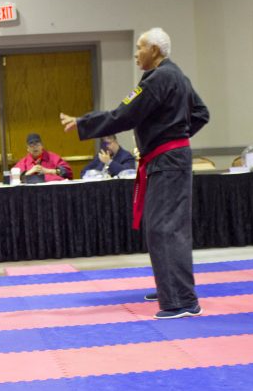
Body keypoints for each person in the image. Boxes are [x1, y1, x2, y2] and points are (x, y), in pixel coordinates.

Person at [61, 27, 209, 319]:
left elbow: (124, 115)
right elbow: (201, 113)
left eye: (140, 47)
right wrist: (172, 136)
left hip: (167, 160)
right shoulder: (176, 75)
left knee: (165, 228)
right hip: (168, 158)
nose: (135, 54)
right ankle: (170, 287)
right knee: (163, 227)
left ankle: (181, 300)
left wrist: (83, 123)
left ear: (154, 50)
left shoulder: (160, 78)